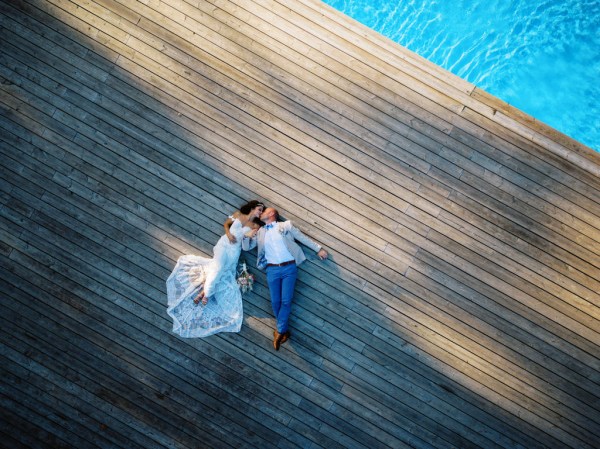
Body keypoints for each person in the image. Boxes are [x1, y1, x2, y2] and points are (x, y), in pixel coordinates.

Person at [166, 201, 264, 338]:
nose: (260, 212)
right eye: (259, 209)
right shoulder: (239, 214)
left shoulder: (255, 226)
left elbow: (248, 245)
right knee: (218, 268)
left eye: (262, 211)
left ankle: (202, 293)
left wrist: (249, 237)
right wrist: (228, 234)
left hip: (234, 251)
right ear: (253, 208)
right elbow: (226, 225)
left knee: (221, 272)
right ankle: (207, 294)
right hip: (224, 244)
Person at [242, 207, 328, 350]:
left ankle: (280, 331)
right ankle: (283, 330)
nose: (261, 213)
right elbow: (246, 248)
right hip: (272, 270)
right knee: (276, 302)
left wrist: (318, 248)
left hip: (289, 268)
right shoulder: (260, 232)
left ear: (271, 214)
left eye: (264, 211)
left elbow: (302, 238)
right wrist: (247, 235)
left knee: (286, 301)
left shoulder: (285, 226)